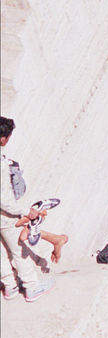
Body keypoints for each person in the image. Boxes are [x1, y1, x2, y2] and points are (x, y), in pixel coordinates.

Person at [0, 116, 53, 302]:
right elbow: (4, 199)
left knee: (0, 253)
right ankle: (31, 287)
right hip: (4, 217)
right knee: (18, 250)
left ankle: (10, 286)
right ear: (3, 139)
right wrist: (25, 211)